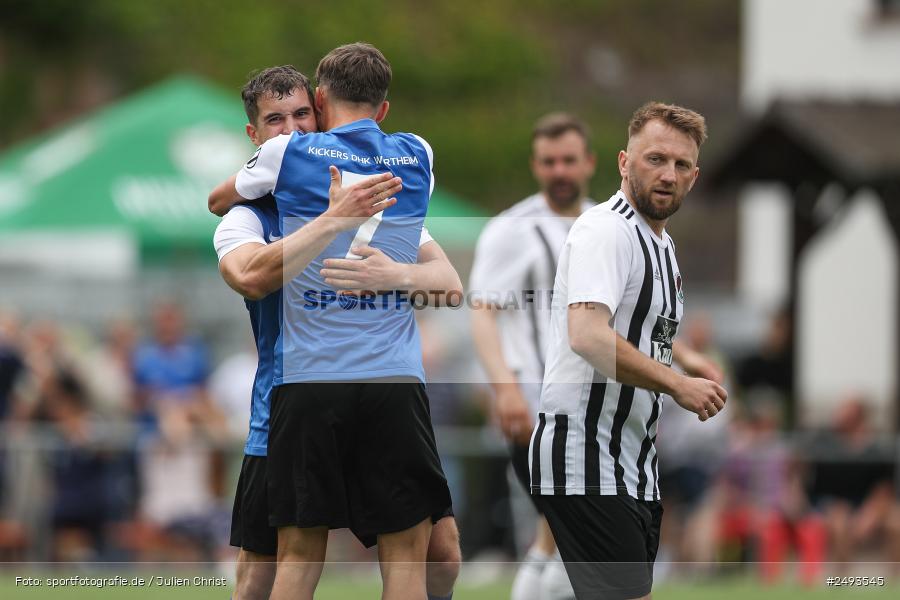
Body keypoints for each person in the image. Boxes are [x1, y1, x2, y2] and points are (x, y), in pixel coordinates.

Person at [212, 46, 455, 600]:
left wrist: (392, 274)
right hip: (282, 402)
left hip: (356, 384)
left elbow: (448, 281)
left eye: (301, 116)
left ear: (320, 107)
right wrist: (331, 220)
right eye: (276, 121)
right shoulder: (249, 218)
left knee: (440, 552)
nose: (291, 130)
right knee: (262, 573)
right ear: (254, 136)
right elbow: (247, 271)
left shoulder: (364, 190)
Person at [529, 102, 728, 600]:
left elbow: (637, 324)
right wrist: (678, 384)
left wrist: (684, 358)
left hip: (632, 462)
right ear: (623, 162)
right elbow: (589, 334)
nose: (668, 174)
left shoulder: (661, 244)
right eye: (655, 159)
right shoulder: (606, 230)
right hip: (585, 456)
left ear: (695, 176)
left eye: (681, 165)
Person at [470, 112, 596, 600]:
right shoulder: (512, 229)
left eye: (568, 160)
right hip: (536, 396)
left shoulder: (605, 224)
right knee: (570, 525)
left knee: (558, 532)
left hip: (594, 402)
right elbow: (481, 314)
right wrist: (505, 391)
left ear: (589, 162)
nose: (559, 171)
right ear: (534, 165)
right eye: (548, 162)